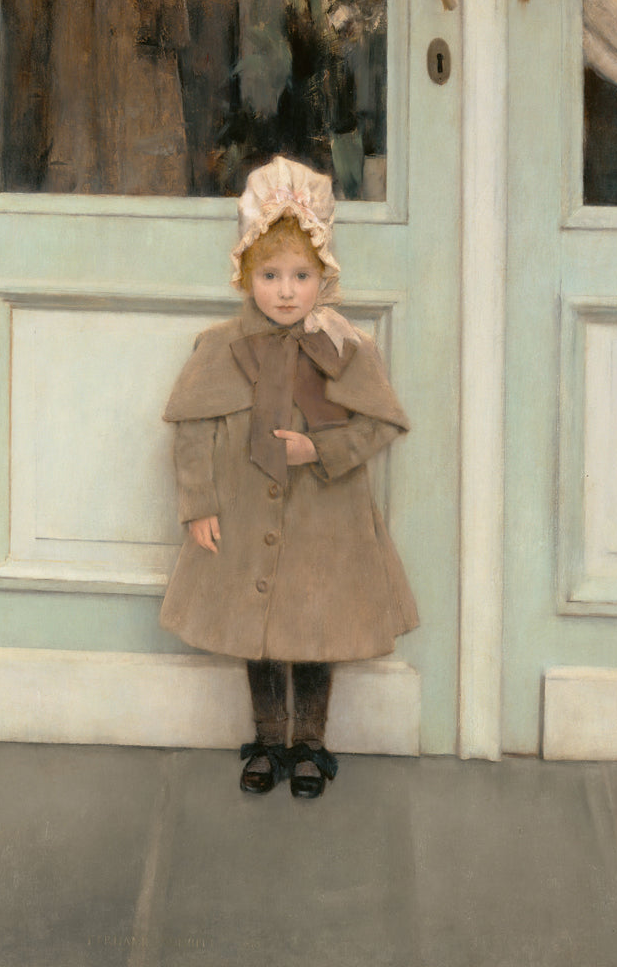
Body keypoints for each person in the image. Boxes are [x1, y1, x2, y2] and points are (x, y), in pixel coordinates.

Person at [160, 156, 418, 799]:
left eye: (301, 276)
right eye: (270, 275)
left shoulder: (344, 347)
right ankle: (269, 739)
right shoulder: (220, 348)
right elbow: (191, 430)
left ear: (323, 275)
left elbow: (380, 424)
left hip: (325, 518)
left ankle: (310, 743)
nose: (285, 292)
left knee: (315, 623)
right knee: (259, 629)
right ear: (246, 275)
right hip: (244, 515)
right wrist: (199, 504)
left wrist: (319, 449)